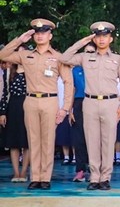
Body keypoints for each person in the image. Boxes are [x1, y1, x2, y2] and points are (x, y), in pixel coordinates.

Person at [0, 19, 73, 190]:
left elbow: (68, 83)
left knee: (47, 140)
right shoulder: (26, 55)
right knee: (33, 140)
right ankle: (35, 177)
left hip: (50, 100)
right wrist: (20, 40)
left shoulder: (58, 57)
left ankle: (45, 177)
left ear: (50, 36)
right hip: (31, 100)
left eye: (44, 33)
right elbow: (3, 55)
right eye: (37, 33)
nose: (40, 36)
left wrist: (65, 108)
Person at [60, 22, 120, 191]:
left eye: (105, 36)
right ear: (94, 39)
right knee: (92, 141)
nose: (101, 39)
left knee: (108, 141)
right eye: (98, 36)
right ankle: (94, 176)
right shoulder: (85, 57)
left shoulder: (118, 59)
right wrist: (83, 42)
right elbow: (64, 58)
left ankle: (105, 177)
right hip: (89, 102)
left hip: (110, 102)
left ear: (111, 39)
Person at [0, 49, 30, 182]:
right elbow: (5, 93)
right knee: (13, 142)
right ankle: (16, 173)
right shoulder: (9, 71)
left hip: (28, 106)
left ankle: (23, 173)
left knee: (26, 142)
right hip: (12, 107)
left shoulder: (31, 71)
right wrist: (2, 112)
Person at [68, 43, 95, 183]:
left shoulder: (98, 69)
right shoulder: (75, 70)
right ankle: (80, 170)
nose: (88, 55)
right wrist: (70, 109)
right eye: (86, 52)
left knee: (94, 138)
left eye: (91, 52)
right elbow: (72, 89)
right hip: (79, 103)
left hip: (95, 102)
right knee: (79, 139)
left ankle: (95, 170)